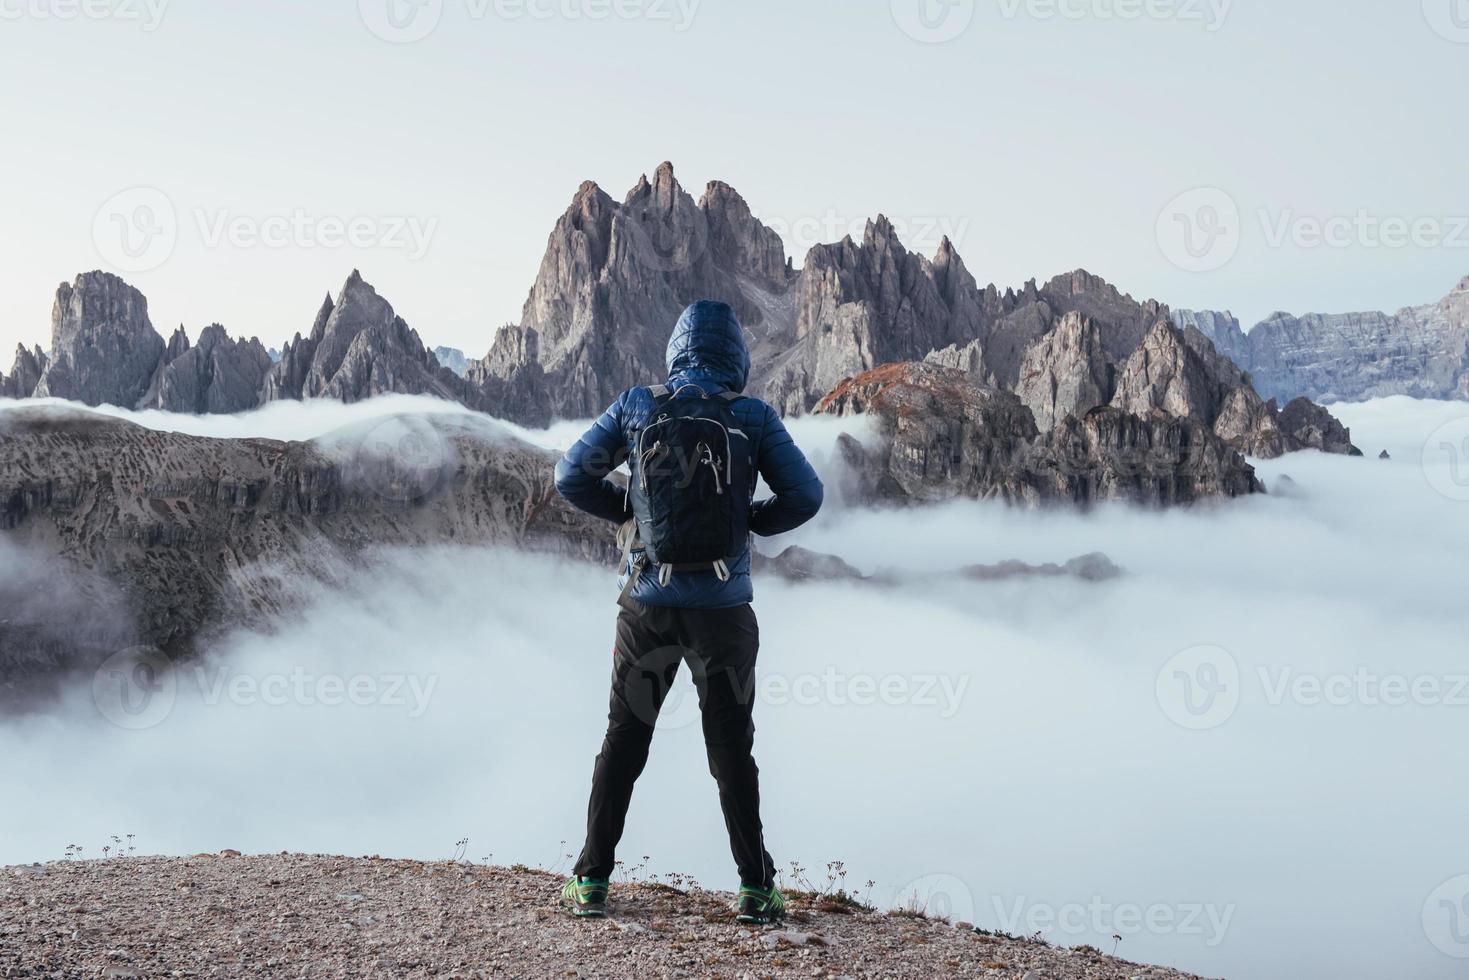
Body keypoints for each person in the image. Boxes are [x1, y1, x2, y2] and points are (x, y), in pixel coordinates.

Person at [553, 300, 824, 923]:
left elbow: (570, 476)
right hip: (724, 614)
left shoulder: (638, 405)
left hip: (646, 605)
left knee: (625, 738)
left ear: (676, 350)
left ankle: (591, 881)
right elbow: (805, 494)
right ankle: (756, 890)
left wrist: (628, 510)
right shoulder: (752, 416)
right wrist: (749, 523)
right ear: (738, 358)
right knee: (731, 748)